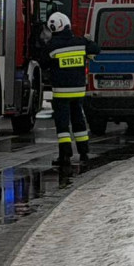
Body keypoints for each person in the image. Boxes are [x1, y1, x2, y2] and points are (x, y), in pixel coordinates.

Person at [40, 12, 101, 169]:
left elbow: (43, 63)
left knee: (62, 124)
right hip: (78, 91)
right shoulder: (80, 42)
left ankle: (65, 155)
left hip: (61, 92)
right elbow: (96, 49)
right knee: (78, 121)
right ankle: (84, 153)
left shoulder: (52, 47)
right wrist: (88, 41)